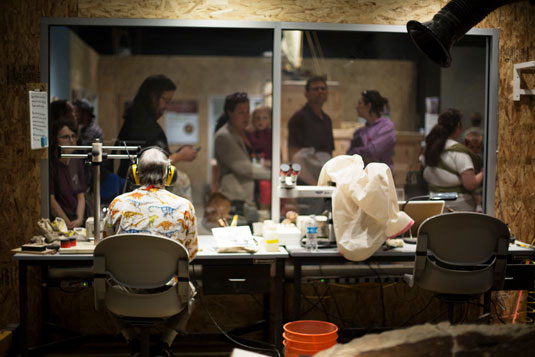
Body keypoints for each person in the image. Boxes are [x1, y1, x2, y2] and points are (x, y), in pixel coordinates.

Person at [102, 147, 198, 357]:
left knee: (102, 287)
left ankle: (133, 341)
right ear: (169, 174)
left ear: (136, 173)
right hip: (168, 296)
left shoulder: (117, 204)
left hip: (123, 296)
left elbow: (105, 248)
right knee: (190, 292)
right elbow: (189, 254)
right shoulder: (185, 207)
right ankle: (165, 344)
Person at [116, 74, 198, 179]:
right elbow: (150, 166)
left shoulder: (138, 121)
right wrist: (179, 156)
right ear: (153, 96)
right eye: (166, 101)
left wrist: (178, 153)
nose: (167, 106)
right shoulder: (141, 125)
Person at [213, 92, 270, 218]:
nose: (246, 116)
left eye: (247, 111)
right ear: (230, 113)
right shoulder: (224, 136)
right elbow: (244, 168)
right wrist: (273, 173)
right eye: (241, 112)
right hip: (236, 198)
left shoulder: (247, 132)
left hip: (251, 198)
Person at [422, 108, 483, 212]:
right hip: (460, 209)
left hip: (434, 207)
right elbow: (470, 184)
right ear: (458, 126)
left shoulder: (428, 149)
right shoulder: (459, 153)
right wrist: (484, 172)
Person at [287, 75, 334, 173]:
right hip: (306, 177)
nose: (320, 91)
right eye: (315, 89)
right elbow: (294, 155)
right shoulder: (298, 118)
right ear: (306, 94)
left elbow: (329, 152)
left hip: (323, 173)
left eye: (323, 89)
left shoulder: (327, 119)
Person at [49, 119, 86, 229]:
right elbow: (51, 201)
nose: (71, 140)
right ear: (55, 140)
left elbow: (81, 196)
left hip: (76, 222)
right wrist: (67, 223)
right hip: (58, 223)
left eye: (73, 136)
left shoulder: (76, 161)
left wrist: (79, 219)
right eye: (65, 137)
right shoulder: (51, 165)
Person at [346, 90, 396, 171]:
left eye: (359, 103)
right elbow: (349, 155)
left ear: (368, 106)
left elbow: (373, 151)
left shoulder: (387, 127)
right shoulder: (359, 132)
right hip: (362, 176)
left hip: (381, 176)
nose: (356, 107)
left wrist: (356, 152)